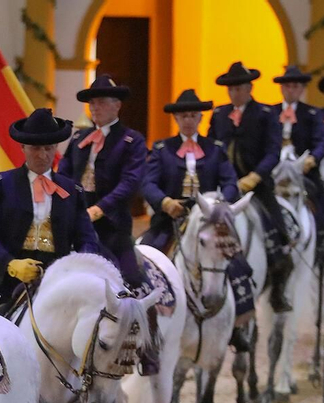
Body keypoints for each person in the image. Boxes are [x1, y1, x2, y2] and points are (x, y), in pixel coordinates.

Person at [0, 107, 100, 317]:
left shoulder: (72, 190)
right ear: (23, 147)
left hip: (59, 278)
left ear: (56, 147)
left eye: (48, 148)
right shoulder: (1, 185)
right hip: (8, 279)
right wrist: (10, 264)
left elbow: (87, 239)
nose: (42, 155)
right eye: (35, 148)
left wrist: (78, 265)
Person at [209, 61, 292, 316]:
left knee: (276, 226)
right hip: (223, 184)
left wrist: (255, 176)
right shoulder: (219, 115)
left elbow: (272, 151)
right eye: (231, 89)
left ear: (249, 88)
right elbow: (212, 147)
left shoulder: (266, 114)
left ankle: (278, 285)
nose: (234, 93)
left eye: (239, 88)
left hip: (257, 184)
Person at [57, 73, 148, 293]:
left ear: (117, 106)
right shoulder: (79, 138)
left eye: (101, 103)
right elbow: (64, 174)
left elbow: (130, 181)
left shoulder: (131, 140)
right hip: (77, 219)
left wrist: (99, 209)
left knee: (132, 279)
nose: (94, 108)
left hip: (112, 223)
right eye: (92, 103)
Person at [140, 89, 239, 252]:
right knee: (146, 258)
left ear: (200, 118)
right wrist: (165, 202)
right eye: (183, 116)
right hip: (169, 221)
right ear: (176, 118)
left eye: (193, 115)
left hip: (208, 220)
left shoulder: (215, 149)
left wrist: (217, 205)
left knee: (233, 255)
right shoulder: (162, 149)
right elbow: (148, 183)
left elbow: (230, 183)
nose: (188, 120)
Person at [272, 64, 324, 231]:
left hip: (303, 169)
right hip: (274, 167)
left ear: (302, 89)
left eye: (295, 86)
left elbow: (321, 141)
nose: (291, 90)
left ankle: (322, 233)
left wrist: (312, 159)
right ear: (282, 88)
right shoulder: (270, 112)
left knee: (320, 197)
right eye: (287, 86)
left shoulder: (312, 113)